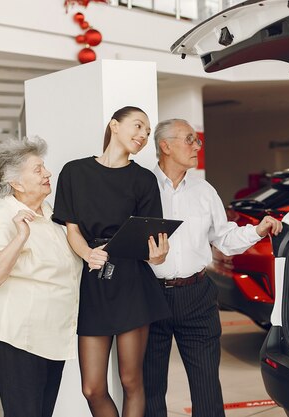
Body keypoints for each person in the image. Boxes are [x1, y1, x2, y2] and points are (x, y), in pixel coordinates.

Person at [144, 119, 283, 417]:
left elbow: (224, 238)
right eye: (189, 140)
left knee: (207, 384)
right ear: (165, 146)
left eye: (197, 140)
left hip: (197, 294)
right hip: (149, 296)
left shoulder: (204, 190)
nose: (197, 146)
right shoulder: (141, 187)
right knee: (149, 387)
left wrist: (256, 231)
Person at [52, 106, 171, 417]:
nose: (144, 135)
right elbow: (72, 229)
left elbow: (153, 243)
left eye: (147, 131)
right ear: (114, 126)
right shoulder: (74, 172)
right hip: (94, 283)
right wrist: (87, 253)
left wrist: (158, 255)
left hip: (132, 283)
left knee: (131, 381)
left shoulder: (144, 180)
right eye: (138, 125)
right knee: (92, 387)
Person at [0, 137, 81, 417]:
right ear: (16, 183)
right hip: (21, 337)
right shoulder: (0, 218)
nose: (48, 174)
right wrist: (20, 236)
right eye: (38, 169)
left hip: (52, 334)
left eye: (44, 167)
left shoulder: (50, 213)